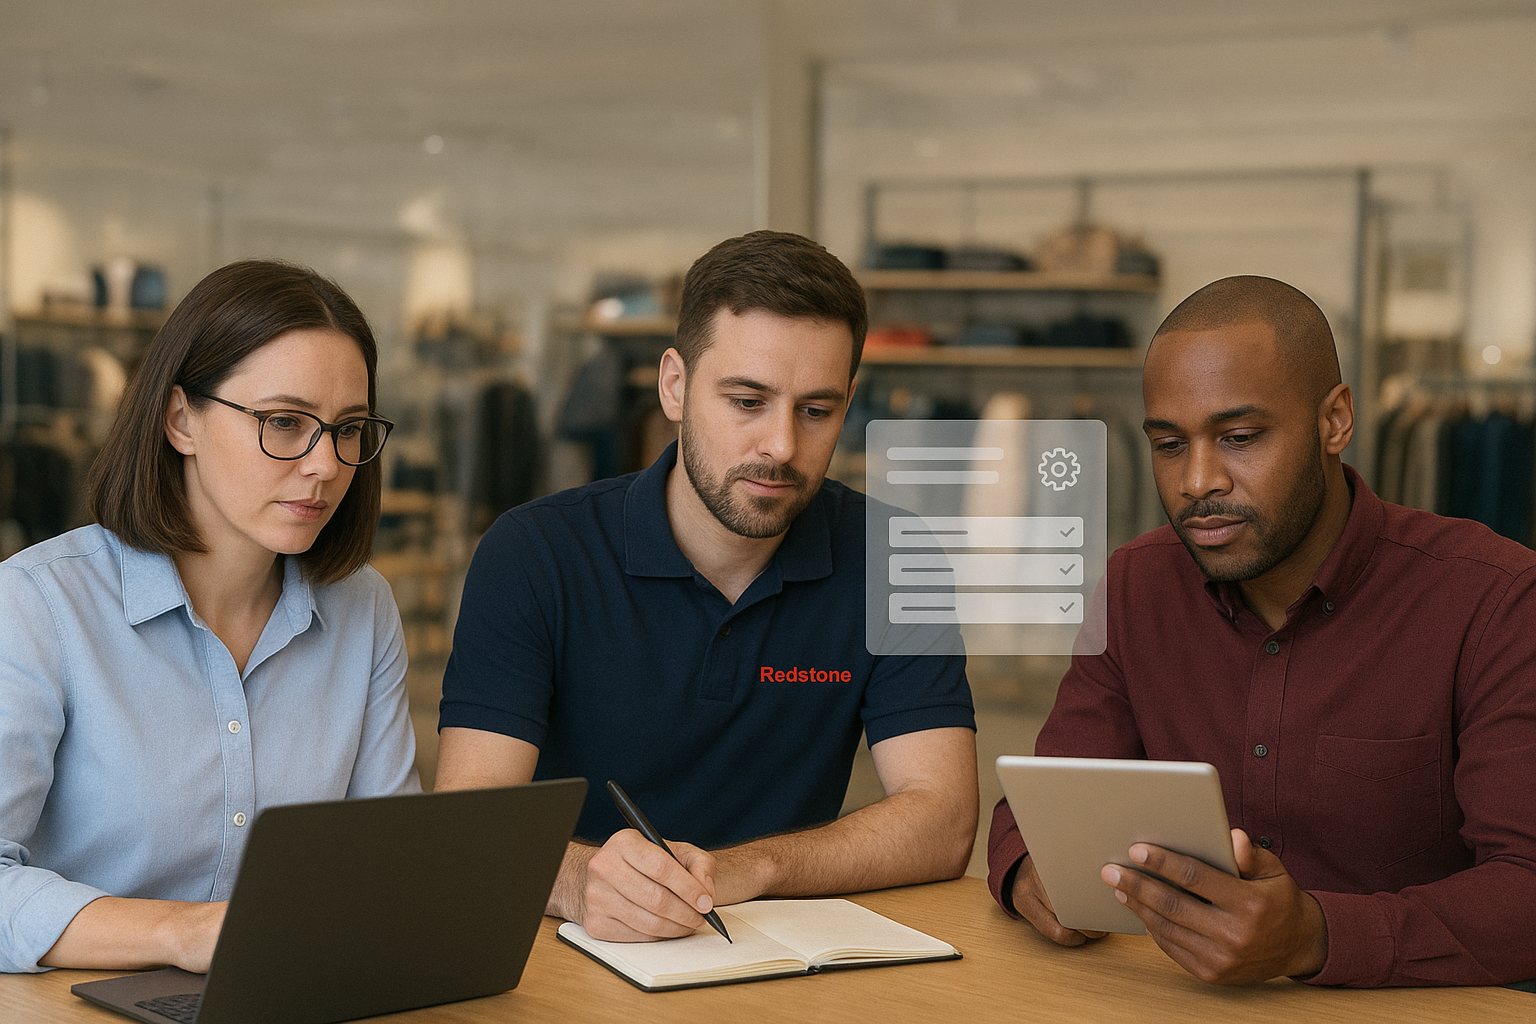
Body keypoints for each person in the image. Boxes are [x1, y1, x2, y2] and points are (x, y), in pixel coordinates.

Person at [986, 275, 1536, 988]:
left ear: (1335, 421)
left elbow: (1527, 884)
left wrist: (1316, 936)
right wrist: (1033, 871)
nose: (1197, 481)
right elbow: (1037, 806)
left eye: (1239, 438)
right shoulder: (1135, 587)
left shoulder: (1494, 599)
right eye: (1169, 445)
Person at [436, 230, 978, 942]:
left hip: (783, 960)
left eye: (815, 411)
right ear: (674, 385)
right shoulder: (534, 553)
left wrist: (745, 870)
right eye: (747, 401)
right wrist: (578, 883)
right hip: (572, 952)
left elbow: (943, 818)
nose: (781, 446)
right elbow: (466, 819)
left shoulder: (896, 557)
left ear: (849, 403)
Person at [0, 260, 419, 974]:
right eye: (285, 422)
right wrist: (182, 933)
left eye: (348, 429)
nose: (325, 465)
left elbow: (391, 861)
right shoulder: (39, 604)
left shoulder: (363, 608)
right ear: (180, 419)